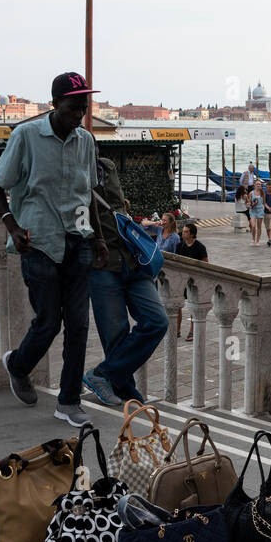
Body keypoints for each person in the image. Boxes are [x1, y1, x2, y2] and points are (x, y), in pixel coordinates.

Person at [0, 72, 107, 428]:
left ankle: (68, 402)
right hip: (38, 240)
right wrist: (10, 224)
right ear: (55, 105)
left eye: (84, 108)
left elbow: (89, 196)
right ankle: (18, 365)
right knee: (48, 322)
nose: (79, 115)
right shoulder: (26, 136)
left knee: (80, 325)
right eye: (73, 107)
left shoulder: (85, 141)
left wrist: (98, 237)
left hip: (79, 240)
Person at [82, 157, 169, 407]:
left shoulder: (108, 166)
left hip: (132, 261)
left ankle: (102, 375)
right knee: (116, 335)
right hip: (102, 267)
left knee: (157, 321)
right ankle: (127, 393)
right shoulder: (72, 174)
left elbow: (118, 209)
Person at [175, 222, 208, 341]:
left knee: (193, 305)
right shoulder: (180, 246)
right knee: (177, 304)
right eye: (183, 231)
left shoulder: (200, 247)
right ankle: (177, 330)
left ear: (192, 234)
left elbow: (205, 263)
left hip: (194, 280)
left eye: (185, 232)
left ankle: (192, 331)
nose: (183, 233)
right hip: (182, 279)